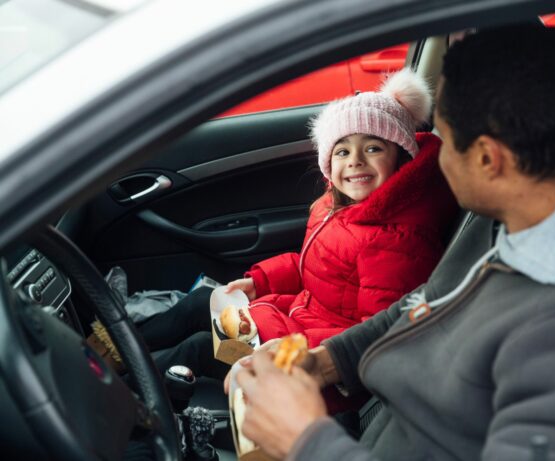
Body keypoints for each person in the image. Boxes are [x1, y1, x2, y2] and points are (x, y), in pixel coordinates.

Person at [230, 23, 555, 460]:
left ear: (488, 158)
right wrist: (327, 360)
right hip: (376, 420)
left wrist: (306, 440)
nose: (435, 156)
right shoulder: (515, 219)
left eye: (444, 141)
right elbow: (431, 301)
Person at [143, 69, 457, 382]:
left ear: (402, 158)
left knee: (199, 349)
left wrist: (303, 353)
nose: (355, 160)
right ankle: (119, 350)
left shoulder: (396, 240)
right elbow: (315, 272)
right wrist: (261, 283)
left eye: (373, 148)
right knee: (201, 302)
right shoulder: (335, 209)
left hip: (306, 364)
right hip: (292, 321)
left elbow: (375, 336)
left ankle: (131, 395)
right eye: (342, 151)